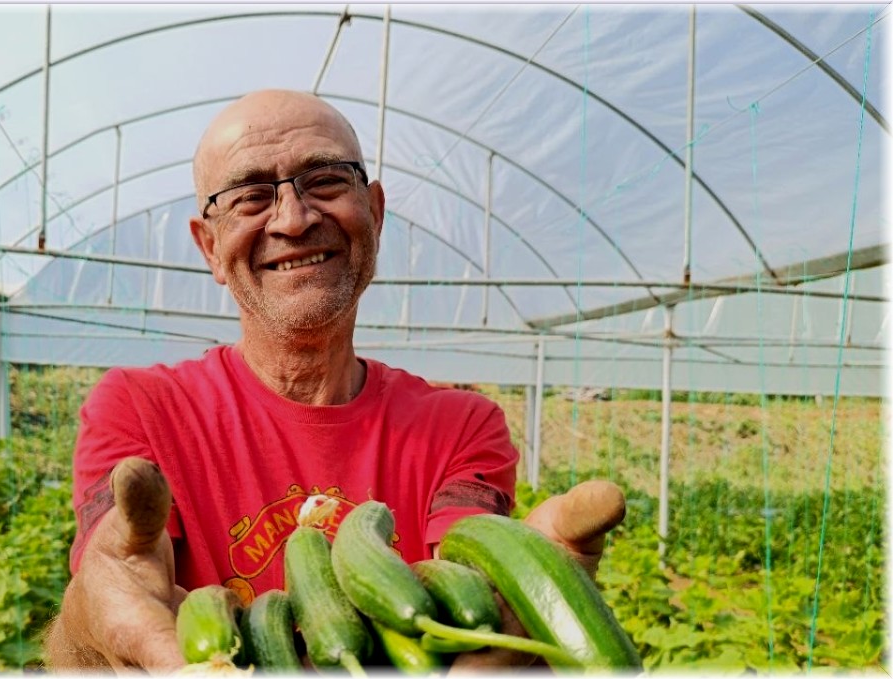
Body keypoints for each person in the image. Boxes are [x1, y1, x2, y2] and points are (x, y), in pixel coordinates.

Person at [43, 89, 626, 672]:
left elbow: (466, 585)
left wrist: (526, 577)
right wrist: (88, 624)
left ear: (374, 211)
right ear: (210, 247)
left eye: (325, 180)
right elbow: (114, 584)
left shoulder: (461, 427)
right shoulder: (140, 409)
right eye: (250, 197)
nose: (294, 219)